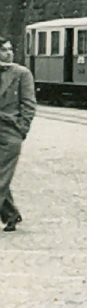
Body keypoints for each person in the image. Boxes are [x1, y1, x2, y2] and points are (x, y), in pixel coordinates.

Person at [0, 36, 36, 232]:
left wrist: (21, 128)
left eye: (10, 49)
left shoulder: (21, 73)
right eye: (4, 50)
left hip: (9, 129)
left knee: (1, 176)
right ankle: (10, 213)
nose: (9, 53)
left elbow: (29, 104)